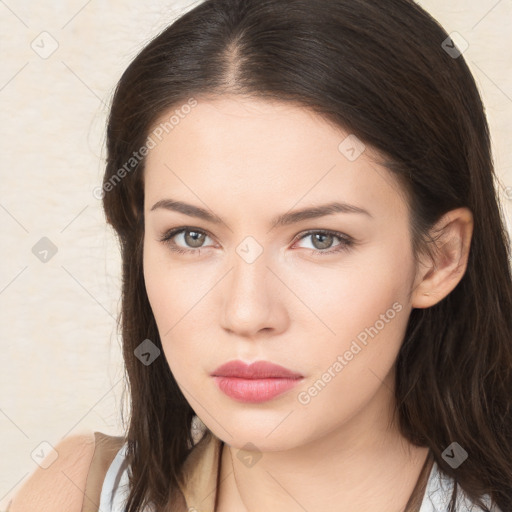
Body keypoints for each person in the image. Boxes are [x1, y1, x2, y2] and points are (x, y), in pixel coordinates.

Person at [7, 0, 512, 511]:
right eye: (192, 236)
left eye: (320, 238)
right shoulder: (75, 495)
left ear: (439, 258)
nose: (247, 313)